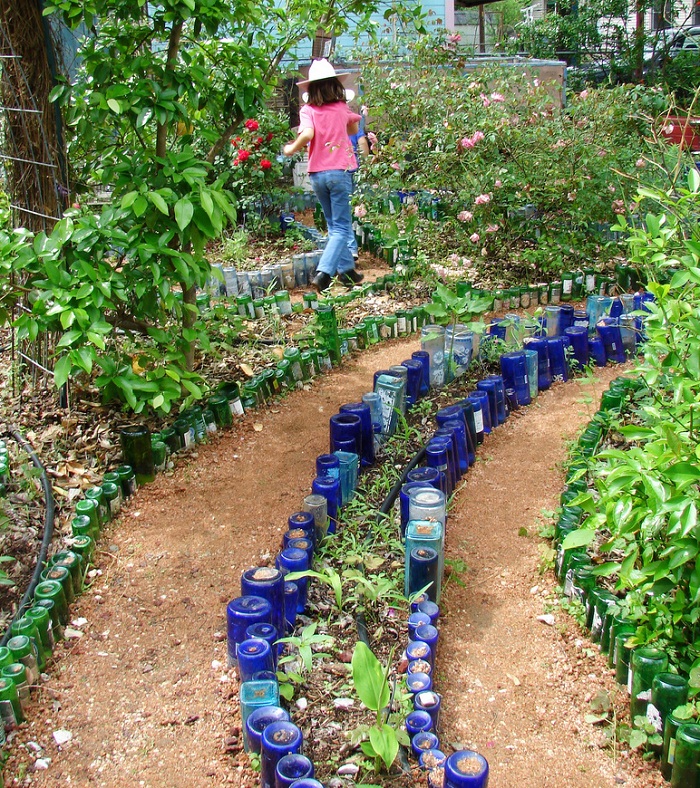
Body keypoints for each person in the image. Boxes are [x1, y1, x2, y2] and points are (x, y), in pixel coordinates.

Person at [283, 59, 363, 291]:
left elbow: (307, 134)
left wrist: (291, 148)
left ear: (311, 90)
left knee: (333, 224)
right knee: (341, 227)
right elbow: (354, 130)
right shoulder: (341, 109)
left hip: (317, 174)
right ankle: (324, 272)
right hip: (339, 172)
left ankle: (346, 271)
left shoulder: (307, 110)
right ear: (335, 87)